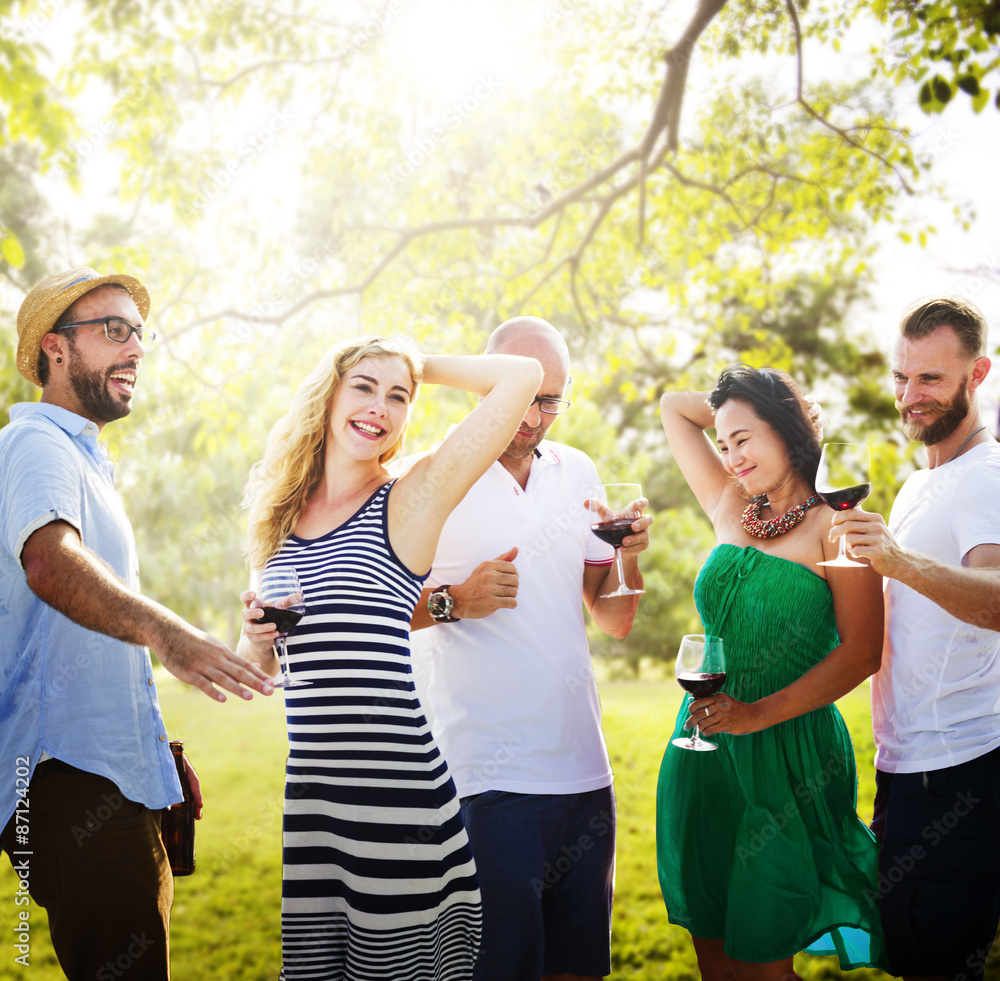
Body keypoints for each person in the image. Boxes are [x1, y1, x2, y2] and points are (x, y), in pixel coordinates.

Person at [237, 334, 542, 980]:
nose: (380, 406)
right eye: (364, 387)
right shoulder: (279, 519)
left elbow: (522, 376)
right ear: (328, 395)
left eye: (397, 396)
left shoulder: (410, 497)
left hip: (394, 800)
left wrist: (414, 361)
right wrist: (256, 637)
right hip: (314, 805)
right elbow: (264, 664)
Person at [0, 267, 275, 980]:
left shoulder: (85, 460)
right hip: (68, 777)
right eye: (112, 330)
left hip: (108, 772)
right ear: (55, 349)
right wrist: (173, 634)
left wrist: (154, 757)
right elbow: (51, 565)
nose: (135, 348)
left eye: (140, 334)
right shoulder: (38, 447)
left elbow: (85, 639)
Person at [409, 316, 654, 981]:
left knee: (578, 970)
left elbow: (611, 617)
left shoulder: (578, 470)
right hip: (487, 779)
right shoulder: (426, 480)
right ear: (485, 386)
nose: (535, 413)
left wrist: (629, 559)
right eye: (524, 393)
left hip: (582, 773)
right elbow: (376, 611)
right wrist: (457, 598)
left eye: (552, 398)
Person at [656, 364, 887, 977]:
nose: (730, 457)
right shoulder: (733, 504)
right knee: (712, 938)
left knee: (762, 951)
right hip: (703, 744)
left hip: (787, 751)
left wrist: (754, 715)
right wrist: (735, 412)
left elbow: (864, 652)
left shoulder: (838, 524)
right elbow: (673, 408)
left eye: (745, 439)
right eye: (723, 443)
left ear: (789, 430)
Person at [833, 296, 1000, 980]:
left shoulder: (986, 478)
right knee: (907, 956)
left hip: (959, 772)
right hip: (905, 774)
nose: (911, 395)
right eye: (903, 377)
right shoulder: (916, 486)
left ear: (978, 373)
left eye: (930, 378)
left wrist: (899, 561)